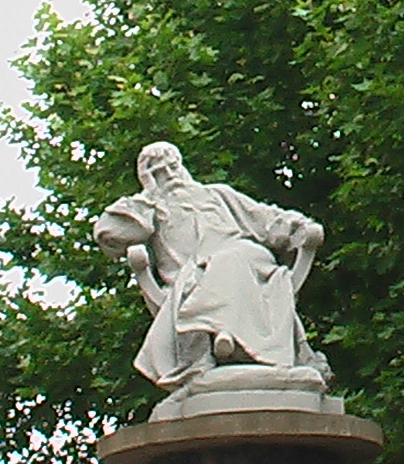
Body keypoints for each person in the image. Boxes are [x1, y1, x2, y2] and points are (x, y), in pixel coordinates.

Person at [94, 140, 329, 393]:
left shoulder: (217, 194)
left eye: (172, 166)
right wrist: (148, 196)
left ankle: (225, 333)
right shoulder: (149, 210)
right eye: (159, 172)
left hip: (249, 260)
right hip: (193, 275)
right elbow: (109, 234)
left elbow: (267, 219)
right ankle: (219, 338)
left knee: (232, 256)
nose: (170, 175)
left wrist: (301, 228)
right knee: (214, 268)